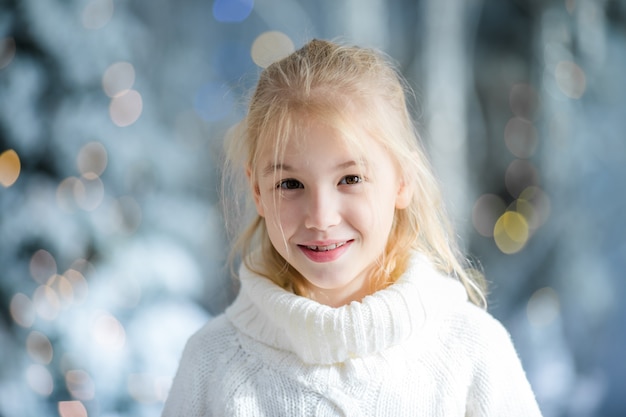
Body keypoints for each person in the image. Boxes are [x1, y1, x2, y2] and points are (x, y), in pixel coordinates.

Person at [161, 39, 543, 416]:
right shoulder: (211, 363)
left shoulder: (472, 352)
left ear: (402, 180)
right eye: (290, 184)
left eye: (350, 179)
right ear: (258, 192)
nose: (321, 217)